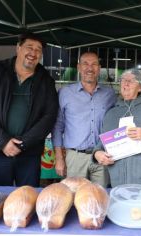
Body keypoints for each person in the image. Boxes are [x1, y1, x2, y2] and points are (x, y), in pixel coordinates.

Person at [0, 32, 58, 187]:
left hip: (29, 154)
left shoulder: (46, 80)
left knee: (26, 201)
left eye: (38, 49)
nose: (33, 53)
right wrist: (3, 141)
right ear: (18, 48)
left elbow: (49, 116)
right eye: (29, 47)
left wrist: (23, 144)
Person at [52, 52, 117, 188]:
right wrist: (59, 158)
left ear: (99, 69)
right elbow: (58, 126)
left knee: (100, 198)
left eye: (94, 64)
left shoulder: (109, 94)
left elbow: (115, 123)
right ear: (79, 67)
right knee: (74, 197)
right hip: (75, 157)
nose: (90, 68)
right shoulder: (65, 93)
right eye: (85, 64)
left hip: (102, 156)